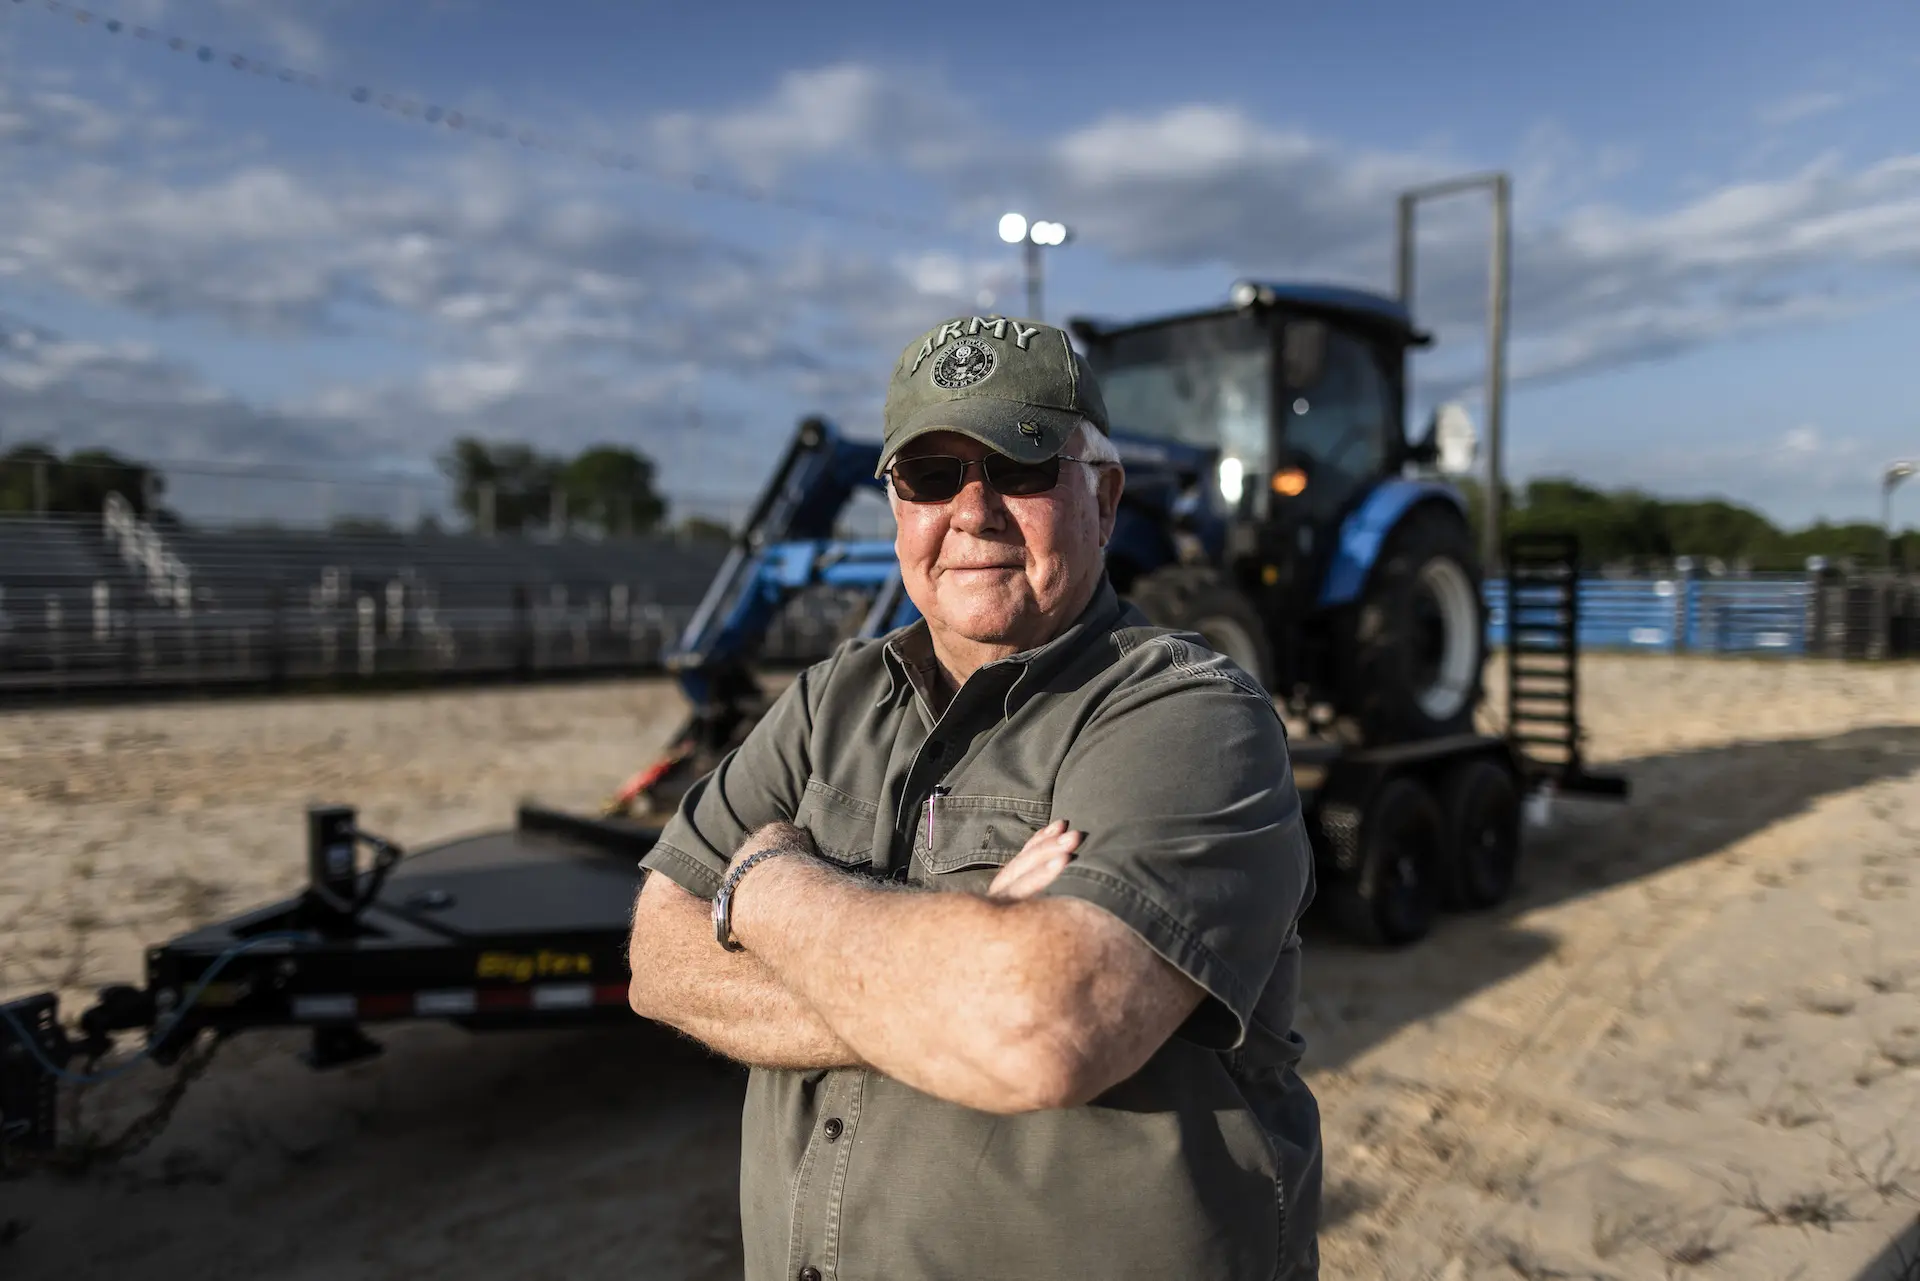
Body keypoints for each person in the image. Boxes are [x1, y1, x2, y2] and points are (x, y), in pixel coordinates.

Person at [627, 314, 1322, 1281]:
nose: (975, 508)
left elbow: (1038, 1029)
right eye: (931, 475)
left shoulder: (1193, 716)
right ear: (897, 506)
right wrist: (959, 954)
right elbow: (658, 957)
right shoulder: (832, 700)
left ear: (1106, 495)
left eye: (1024, 465)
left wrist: (770, 884)